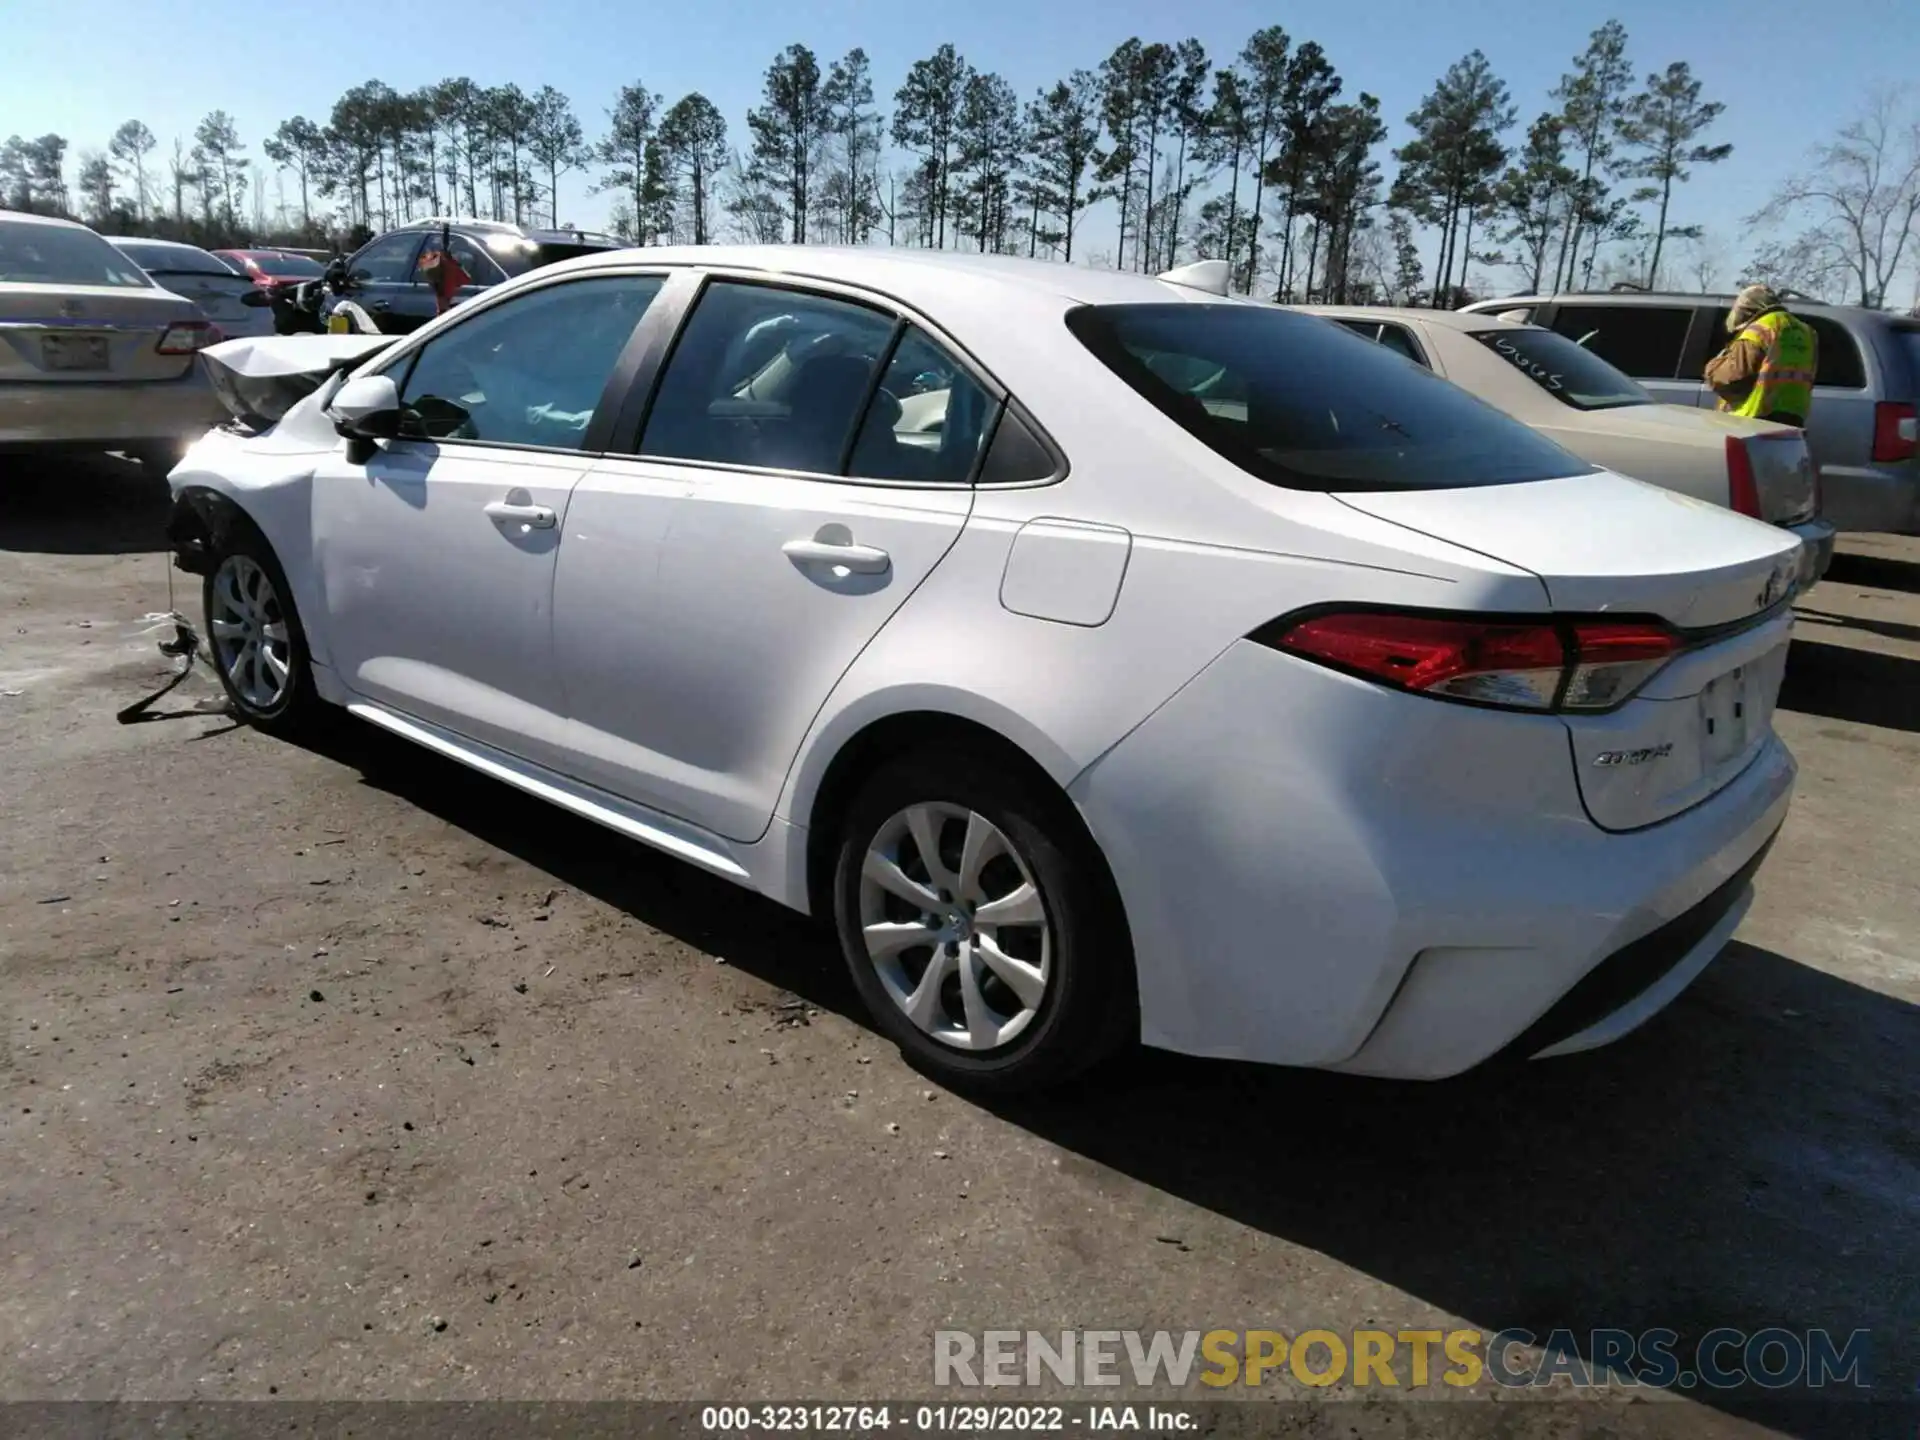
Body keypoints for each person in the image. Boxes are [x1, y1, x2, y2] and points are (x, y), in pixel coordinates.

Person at [1704, 283, 1819, 428]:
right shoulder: (1806, 331)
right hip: (1794, 416)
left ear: (1749, 309)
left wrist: (1712, 368)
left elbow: (1733, 378)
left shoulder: (1759, 329)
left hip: (1756, 417)